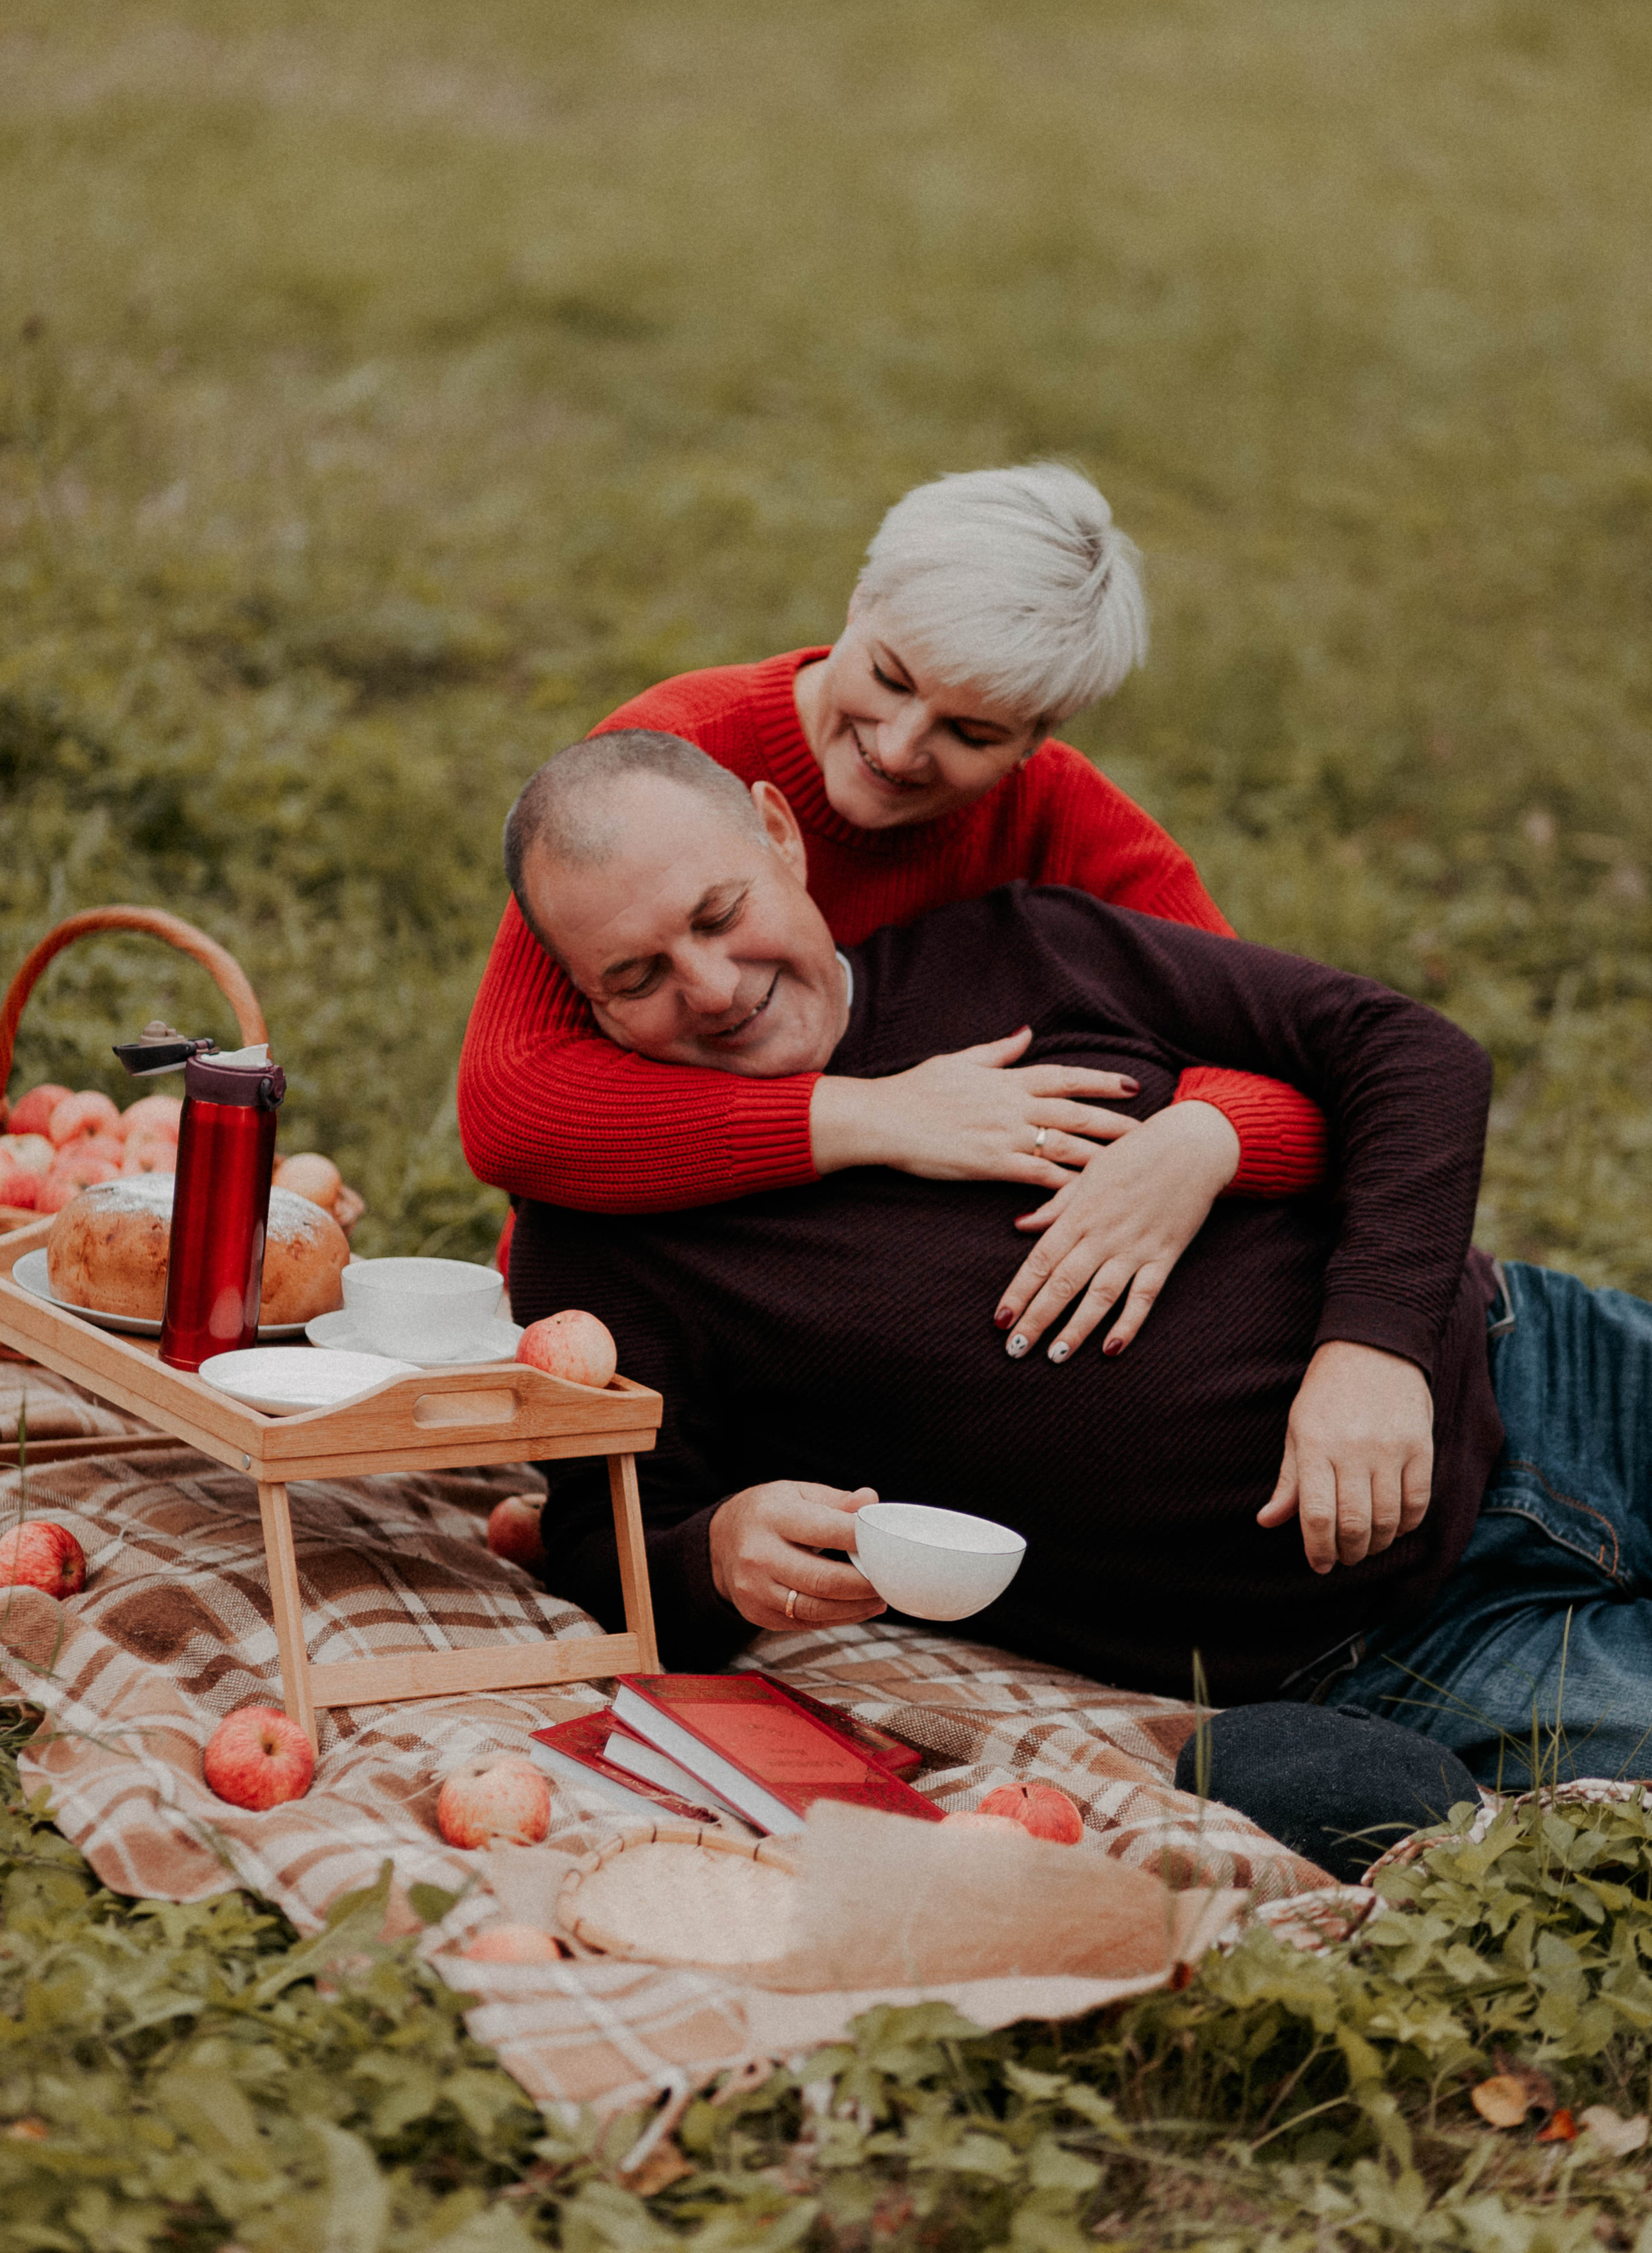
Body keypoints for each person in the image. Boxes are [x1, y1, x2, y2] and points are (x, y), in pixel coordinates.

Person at [492, 729, 1652, 1791]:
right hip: (1385, 1645)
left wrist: (1375, 1344)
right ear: (585, 1001)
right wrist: (717, 1553)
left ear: (781, 838)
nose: (712, 986)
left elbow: (1407, 1050)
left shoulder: (1028, 947)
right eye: (636, 978)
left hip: (1547, 1374)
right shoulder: (604, 1234)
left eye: (717, 913)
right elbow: (605, 1549)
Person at [460, 465, 1329, 1365]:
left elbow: (1307, 1065)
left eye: (973, 734)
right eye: (889, 676)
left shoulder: (1070, 824)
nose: (900, 747)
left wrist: (1200, 1141)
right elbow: (509, 1105)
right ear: (859, 601)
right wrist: (878, 1118)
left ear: (1040, 737)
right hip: (641, 1298)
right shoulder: (667, 765)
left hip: (882, 1315)